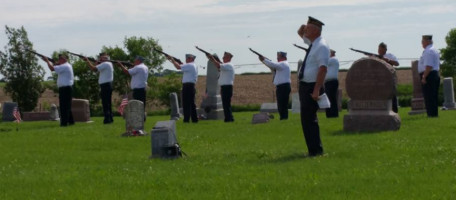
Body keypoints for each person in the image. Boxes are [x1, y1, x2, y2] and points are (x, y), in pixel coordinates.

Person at [296, 16, 329, 157]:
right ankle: (313, 150)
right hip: (306, 86)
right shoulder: (313, 43)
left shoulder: (321, 45)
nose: (305, 31)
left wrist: (316, 89)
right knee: (306, 120)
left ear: (316, 30)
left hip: (312, 87)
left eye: (308, 28)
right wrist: (302, 28)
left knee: (309, 120)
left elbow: (322, 69)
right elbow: (300, 33)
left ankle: (316, 151)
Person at [43, 54, 75, 127]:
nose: (59, 60)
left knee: (64, 107)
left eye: (60, 58)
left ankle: (64, 123)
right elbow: (56, 66)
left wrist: (47, 61)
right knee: (67, 106)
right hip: (66, 88)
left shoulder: (65, 66)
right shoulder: (66, 66)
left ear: (64, 60)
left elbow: (52, 68)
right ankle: (71, 121)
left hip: (65, 88)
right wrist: (51, 62)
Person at [258, 51, 291, 120]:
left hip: (284, 87)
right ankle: (283, 117)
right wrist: (263, 60)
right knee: (280, 104)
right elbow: (271, 66)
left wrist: (264, 59)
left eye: (279, 56)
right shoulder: (281, 65)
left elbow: (273, 65)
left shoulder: (284, 64)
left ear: (283, 57)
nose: (277, 58)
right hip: (281, 87)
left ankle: (284, 118)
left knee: (283, 104)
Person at [84, 53, 114, 124]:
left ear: (106, 58)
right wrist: (96, 63)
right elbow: (97, 70)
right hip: (107, 85)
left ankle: (107, 119)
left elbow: (94, 69)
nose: (100, 59)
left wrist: (87, 61)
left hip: (105, 85)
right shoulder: (108, 64)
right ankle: (110, 118)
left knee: (105, 103)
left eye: (101, 58)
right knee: (108, 103)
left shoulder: (106, 64)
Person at [167, 54, 198, 123]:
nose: (186, 60)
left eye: (187, 59)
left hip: (188, 86)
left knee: (186, 103)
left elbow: (178, 67)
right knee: (191, 103)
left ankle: (186, 119)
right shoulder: (193, 65)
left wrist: (172, 59)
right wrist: (172, 60)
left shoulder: (190, 65)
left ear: (190, 59)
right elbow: (180, 66)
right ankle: (194, 119)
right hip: (190, 85)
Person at [207, 52, 235, 122]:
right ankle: (229, 118)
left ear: (228, 58)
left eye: (224, 57)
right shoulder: (226, 65)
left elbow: (218, 65)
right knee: (226, 104)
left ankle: (228, 119)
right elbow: (219, 66)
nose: (222, 58)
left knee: (226, 104)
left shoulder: (229, 65)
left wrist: (213, 59)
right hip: (224, 87)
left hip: (227, 87)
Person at [419, 35, 440, 117]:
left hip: (429, 75)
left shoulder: (428, 51)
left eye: (422, 41)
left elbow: (429, 66)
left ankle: (431, 114)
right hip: (434, 74)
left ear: (427, 41)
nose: (422, 44)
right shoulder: (434, 50)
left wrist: (424, 77)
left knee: (429, 96)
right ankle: (434, 114)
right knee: (433, 96)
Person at [377, 42, 400, 113]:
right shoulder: (376, 57)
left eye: (381, 50)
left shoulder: (389, 56)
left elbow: (397, 63)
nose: (379, 51)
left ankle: (394, 112)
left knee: (392, 96)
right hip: (380, 79)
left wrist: (388, 60)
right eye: (379, 49)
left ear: (385, 50)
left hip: (389, 78)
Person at [325, 49, 339, 118]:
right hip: (329, 82)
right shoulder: (331, 60)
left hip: (332, 81)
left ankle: (333, 114)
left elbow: (324, 62)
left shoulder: (333, 59)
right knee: (329, 98)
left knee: (331, 98)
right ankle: (329, 114)